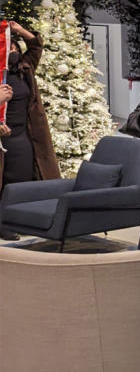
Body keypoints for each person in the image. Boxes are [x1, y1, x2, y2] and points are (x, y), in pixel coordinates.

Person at [0, 21, 60, 241]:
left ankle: (16, 218)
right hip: (2, 135)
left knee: (22, 177)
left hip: (23, 134)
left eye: (16, 48)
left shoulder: (26, 68)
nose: (14, 52)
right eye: (10, 49)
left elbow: (35, 46)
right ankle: (2, 222)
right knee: (3, 179)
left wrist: (19, 31)